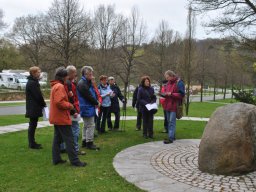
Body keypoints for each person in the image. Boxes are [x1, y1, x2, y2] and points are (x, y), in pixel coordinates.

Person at [49, 67, 86, 167]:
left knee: (57, 139)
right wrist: (70, 105)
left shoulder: (55, 86)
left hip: (57, 117)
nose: (68, 78)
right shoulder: (59, 86)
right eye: (66, 76)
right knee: (69, 140)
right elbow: (59, 102)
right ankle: (75, 161)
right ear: (63, 77)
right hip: (61, 118)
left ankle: (56, 159)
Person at [61, 65, 86, 155]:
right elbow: (70, 99)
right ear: (70, 73)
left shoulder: (67, 83)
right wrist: (74, 111)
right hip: (71, 110)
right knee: (75, 130)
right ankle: (74, 149)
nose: (76, 74)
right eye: (75, 73)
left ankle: (63, 147)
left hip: (70, 110)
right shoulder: (68, 84)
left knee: (65, 130)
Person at [77, 66, 100, 150]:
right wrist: (96, 102)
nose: (92, 75)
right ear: (85, 74)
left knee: (86, 125)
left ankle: (84, 141)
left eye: (92, 74)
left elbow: (93, 92)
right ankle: (89, 142)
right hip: (87, 106)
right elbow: (88, 96)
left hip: (87, 106)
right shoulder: (82, 83)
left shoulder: (86, 82)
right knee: (90, 125)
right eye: (90, 74)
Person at [161, 70, 185, 144]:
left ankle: (170, 138)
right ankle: (172, 136)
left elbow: (182, 94)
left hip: (175, 105)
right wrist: (163, 94)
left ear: (172, 76)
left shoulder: (179, 83)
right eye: (166, 77)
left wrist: (171, 94)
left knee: (172, 122)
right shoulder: (168, 83)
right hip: (167, 105)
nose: (167, 79)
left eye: (167, 77)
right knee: (168, 122)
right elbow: (165, 91)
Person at [25, 66, 46, 149]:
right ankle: (32, 143)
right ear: (33, 73)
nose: (39, 73)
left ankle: (32, 142)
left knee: (33, 124)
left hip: (33, 107)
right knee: (32, 125)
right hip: (33, 107)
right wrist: (44, 104)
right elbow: (38, 96)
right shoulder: (32, 83)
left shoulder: (33, 82)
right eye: (38, 72)